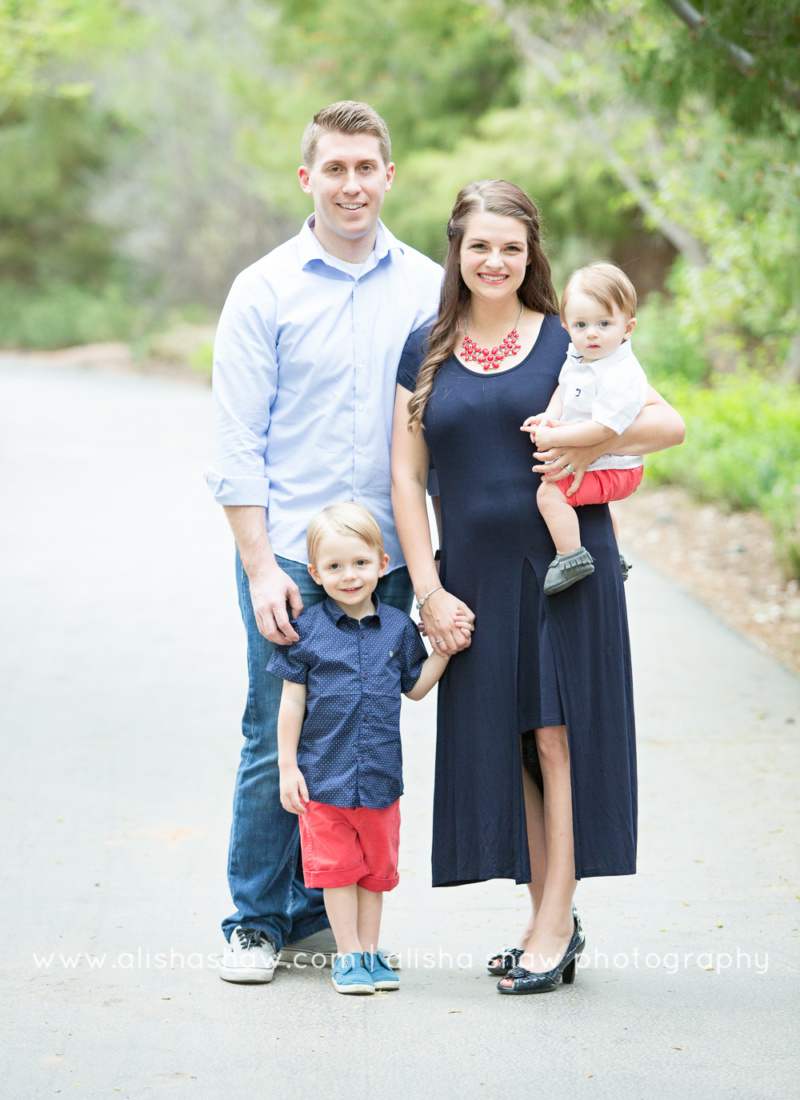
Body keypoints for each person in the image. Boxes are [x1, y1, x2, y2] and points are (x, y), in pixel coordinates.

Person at [391, 180, 685, 995]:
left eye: (512, 248)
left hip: (566, 566)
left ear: (532, 255)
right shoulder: (427, 346)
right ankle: (541, 913)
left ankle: (556, 923)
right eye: (481, 245)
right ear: (457, 248)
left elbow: (663, 422)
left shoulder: (571, 338)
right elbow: (405, 475)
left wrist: (587, 441)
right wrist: (428, 589)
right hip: (474, 576)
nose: (496, 261)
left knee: (557, 738)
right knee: (513, 745)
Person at [205, 101, 443, 983]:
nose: (352, 184)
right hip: (295, 563)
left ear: (389, 176)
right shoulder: (263, 288)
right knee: (279, 728)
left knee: (365, 724)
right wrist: (263, 567)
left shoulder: (427, 286)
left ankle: (326, 912)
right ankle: (259, 921)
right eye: (334, 169)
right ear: (308, 179)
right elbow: (236, 444)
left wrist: (429, 572)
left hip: (385, 559)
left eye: (365, 168)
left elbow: (441, 428)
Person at [268, 503, 450, 994]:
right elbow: (291, 701)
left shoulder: (397, 627)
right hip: (323, 780)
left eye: (360, 563)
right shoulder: (306, 631)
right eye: (334, 566)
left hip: (380, 780)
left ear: (382, 563)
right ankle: (347, 957)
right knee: (337, 872)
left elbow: (414, 689)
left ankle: (370, 954)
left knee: (373, 874)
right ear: (314, 573)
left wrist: (443, 652)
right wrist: (288, 767)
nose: (349, 576)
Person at [521, 262, 648, 595]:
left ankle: (570, 557)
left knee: (550, 494)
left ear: (628, 327)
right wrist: (549, 417)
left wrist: (554, 436)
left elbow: (602, 430)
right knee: (591, 505)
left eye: (604, 323)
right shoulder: (580, 358)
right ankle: (613, 557)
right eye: (581, 324)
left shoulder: (620, 374)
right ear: (566, 326)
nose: (592, 333)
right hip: (602, 462)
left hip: (620, 469)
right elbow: (564, 389)